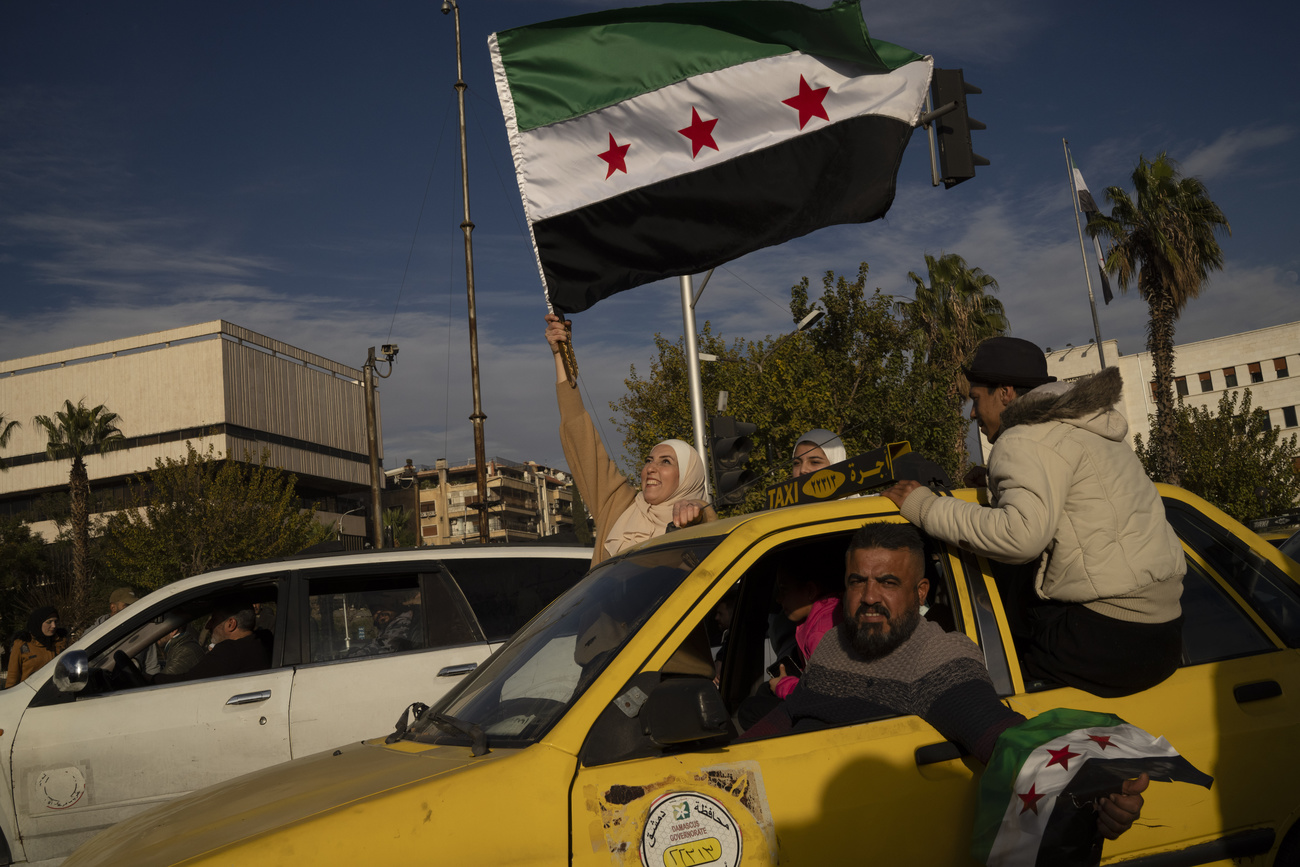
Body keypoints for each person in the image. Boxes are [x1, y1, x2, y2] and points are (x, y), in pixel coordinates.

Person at [744, 522, 1147, 841]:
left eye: (888, 582)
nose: (869, 596)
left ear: (920, 591)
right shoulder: (834, 642)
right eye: (857, 581)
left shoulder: (937, 658)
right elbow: (794, 711)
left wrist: (1098, 795)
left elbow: (1002, 737)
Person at [883, 336, 1185, 697]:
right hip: (1162, 633)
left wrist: (924, 506)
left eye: (976, 399)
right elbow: (1071, 499)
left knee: (974, 690)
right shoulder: (1082, 425)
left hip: (1106, 636)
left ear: (1006, 393)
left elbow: (1019, 536)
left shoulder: (1024, 437)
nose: (973, 414)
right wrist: (998, 484)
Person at [545, 314, 714, 566]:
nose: (651, 468)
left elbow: (711, 529)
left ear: (688, 477)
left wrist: (700, 511)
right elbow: (579, 432)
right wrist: (561, 355)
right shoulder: (617, 505)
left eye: (666, 461)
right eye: (649, 460)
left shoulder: (698, 523)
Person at [148, 604, 271, 684]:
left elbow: (187, 683)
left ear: (231, 624)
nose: (208, 626)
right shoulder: (259, 645)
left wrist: (149, 679)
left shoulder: (230, 651)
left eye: (214, 620)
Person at [6, 606, 68, 688]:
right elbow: (12, 677)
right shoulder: (22, 644)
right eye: (49, 622)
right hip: (30, 696)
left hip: (58, 694)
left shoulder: (62, 641)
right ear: (38, 623)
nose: (53, 626)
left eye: (55, 621)